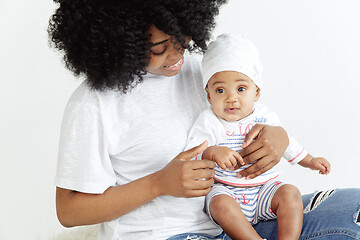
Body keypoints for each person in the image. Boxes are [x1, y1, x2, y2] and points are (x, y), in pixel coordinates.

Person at [48, 1, 360, 239]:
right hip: (170, 234)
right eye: (158, 47)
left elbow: (252, 109)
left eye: (180, 37)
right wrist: (159, 184)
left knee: (355, 209)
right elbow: (69, 210)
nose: (175, 55)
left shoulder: (204, 71)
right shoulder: (94, 102)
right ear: (118, 40)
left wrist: (278, 138)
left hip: (244, 220)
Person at [185, 33, 331, 240]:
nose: (231, 97)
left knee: (290, 193)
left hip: (264, 190)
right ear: (208, 95)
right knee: (218, 204)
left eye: (241, 88)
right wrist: (211, 151)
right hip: (227, 191)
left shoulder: (265, 116)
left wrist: (309, 161)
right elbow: (191, 153)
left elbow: (287, 143)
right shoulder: (208, 121)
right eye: (220, 90)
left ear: (257, 92)